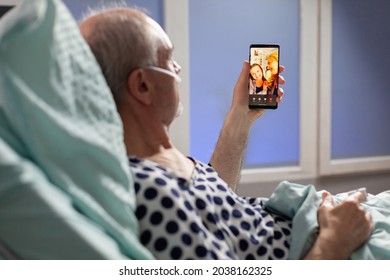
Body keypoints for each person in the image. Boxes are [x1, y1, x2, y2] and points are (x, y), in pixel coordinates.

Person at [79, 7, 372, 259]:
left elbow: (217, 208)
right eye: (168, 59)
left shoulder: (161, 157)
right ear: (143, 86)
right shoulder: (151, 192)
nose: (177, 68)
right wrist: (336, 240)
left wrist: (239, 117)